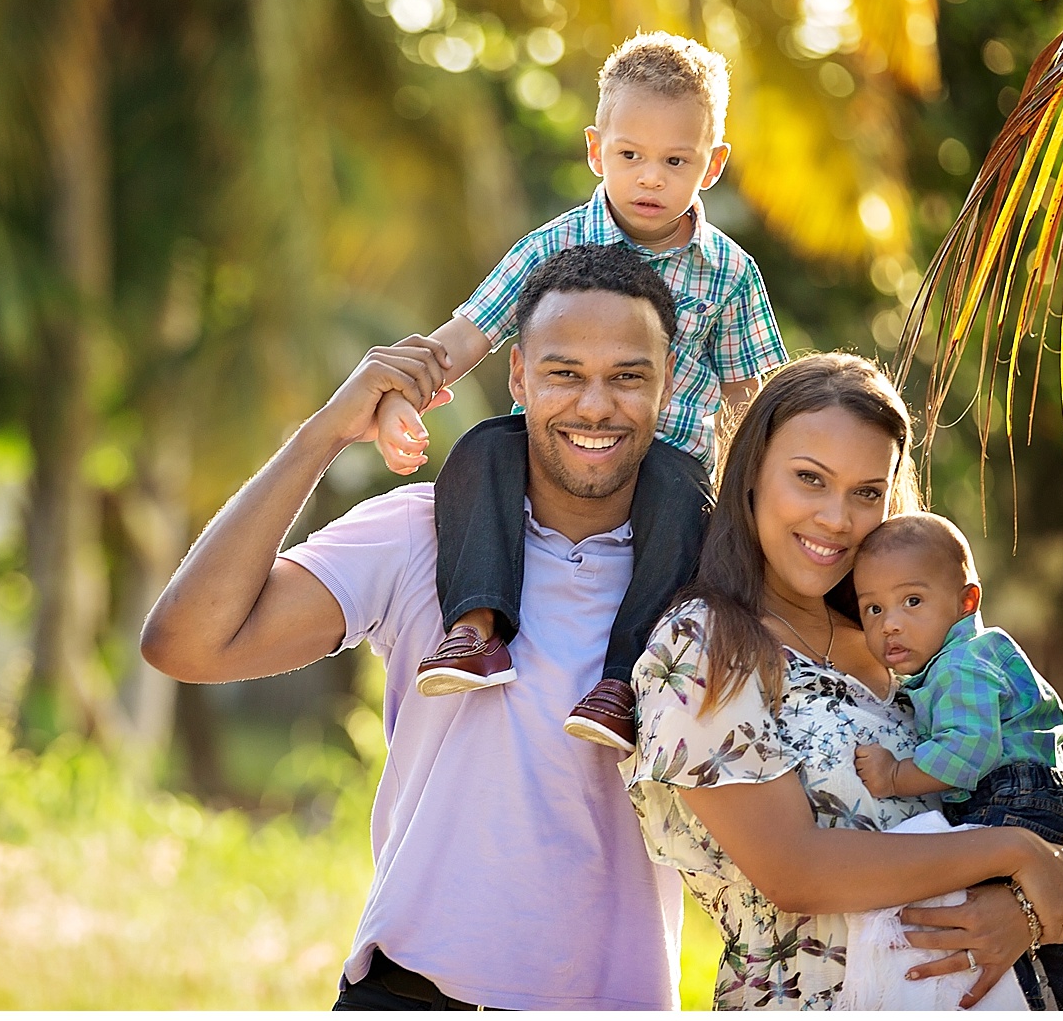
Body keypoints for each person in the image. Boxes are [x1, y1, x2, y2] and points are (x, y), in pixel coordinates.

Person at [142, 246, 697, 1009]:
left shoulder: (708, 578)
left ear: (665, 386)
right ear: (518, 378)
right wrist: (322, 434)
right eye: (564, 371)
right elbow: (185, 642)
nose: (595, 405)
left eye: (627, 376)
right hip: (414, 991)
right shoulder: (418, 534)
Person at [621, 352, 1063, 1010]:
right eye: (809, 479)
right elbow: (792, 869)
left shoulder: (908, 643)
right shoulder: (705, 646)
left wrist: (1022, 909)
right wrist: (1012, 851)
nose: (836, 518)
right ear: (750, 476)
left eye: (865, 491)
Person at [371, 31, 787, 753]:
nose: (649, 177)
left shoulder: (728, 271)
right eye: (630, 156)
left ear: (711, 165)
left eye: (674, 160)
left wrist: (769, 497)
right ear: (596, 151)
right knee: (479, 449)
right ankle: (475, 631)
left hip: (662, 461)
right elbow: (471, 332)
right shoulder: (551, 247)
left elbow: (754, 395)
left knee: (683, 492)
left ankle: (619, 682)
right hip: (551, 451)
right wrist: (403, 391)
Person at [846, 512, 1063, 1009]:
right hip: (1037, 796)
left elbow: (969, 752)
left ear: (966, 600)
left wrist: (895, 775)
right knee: (1050, 944)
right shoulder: (969, 657)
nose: (892, 623)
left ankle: (1025, 1002)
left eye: (912, 601)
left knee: (994, 932)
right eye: (874, 609)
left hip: (1012, 797)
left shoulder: (960, 665)